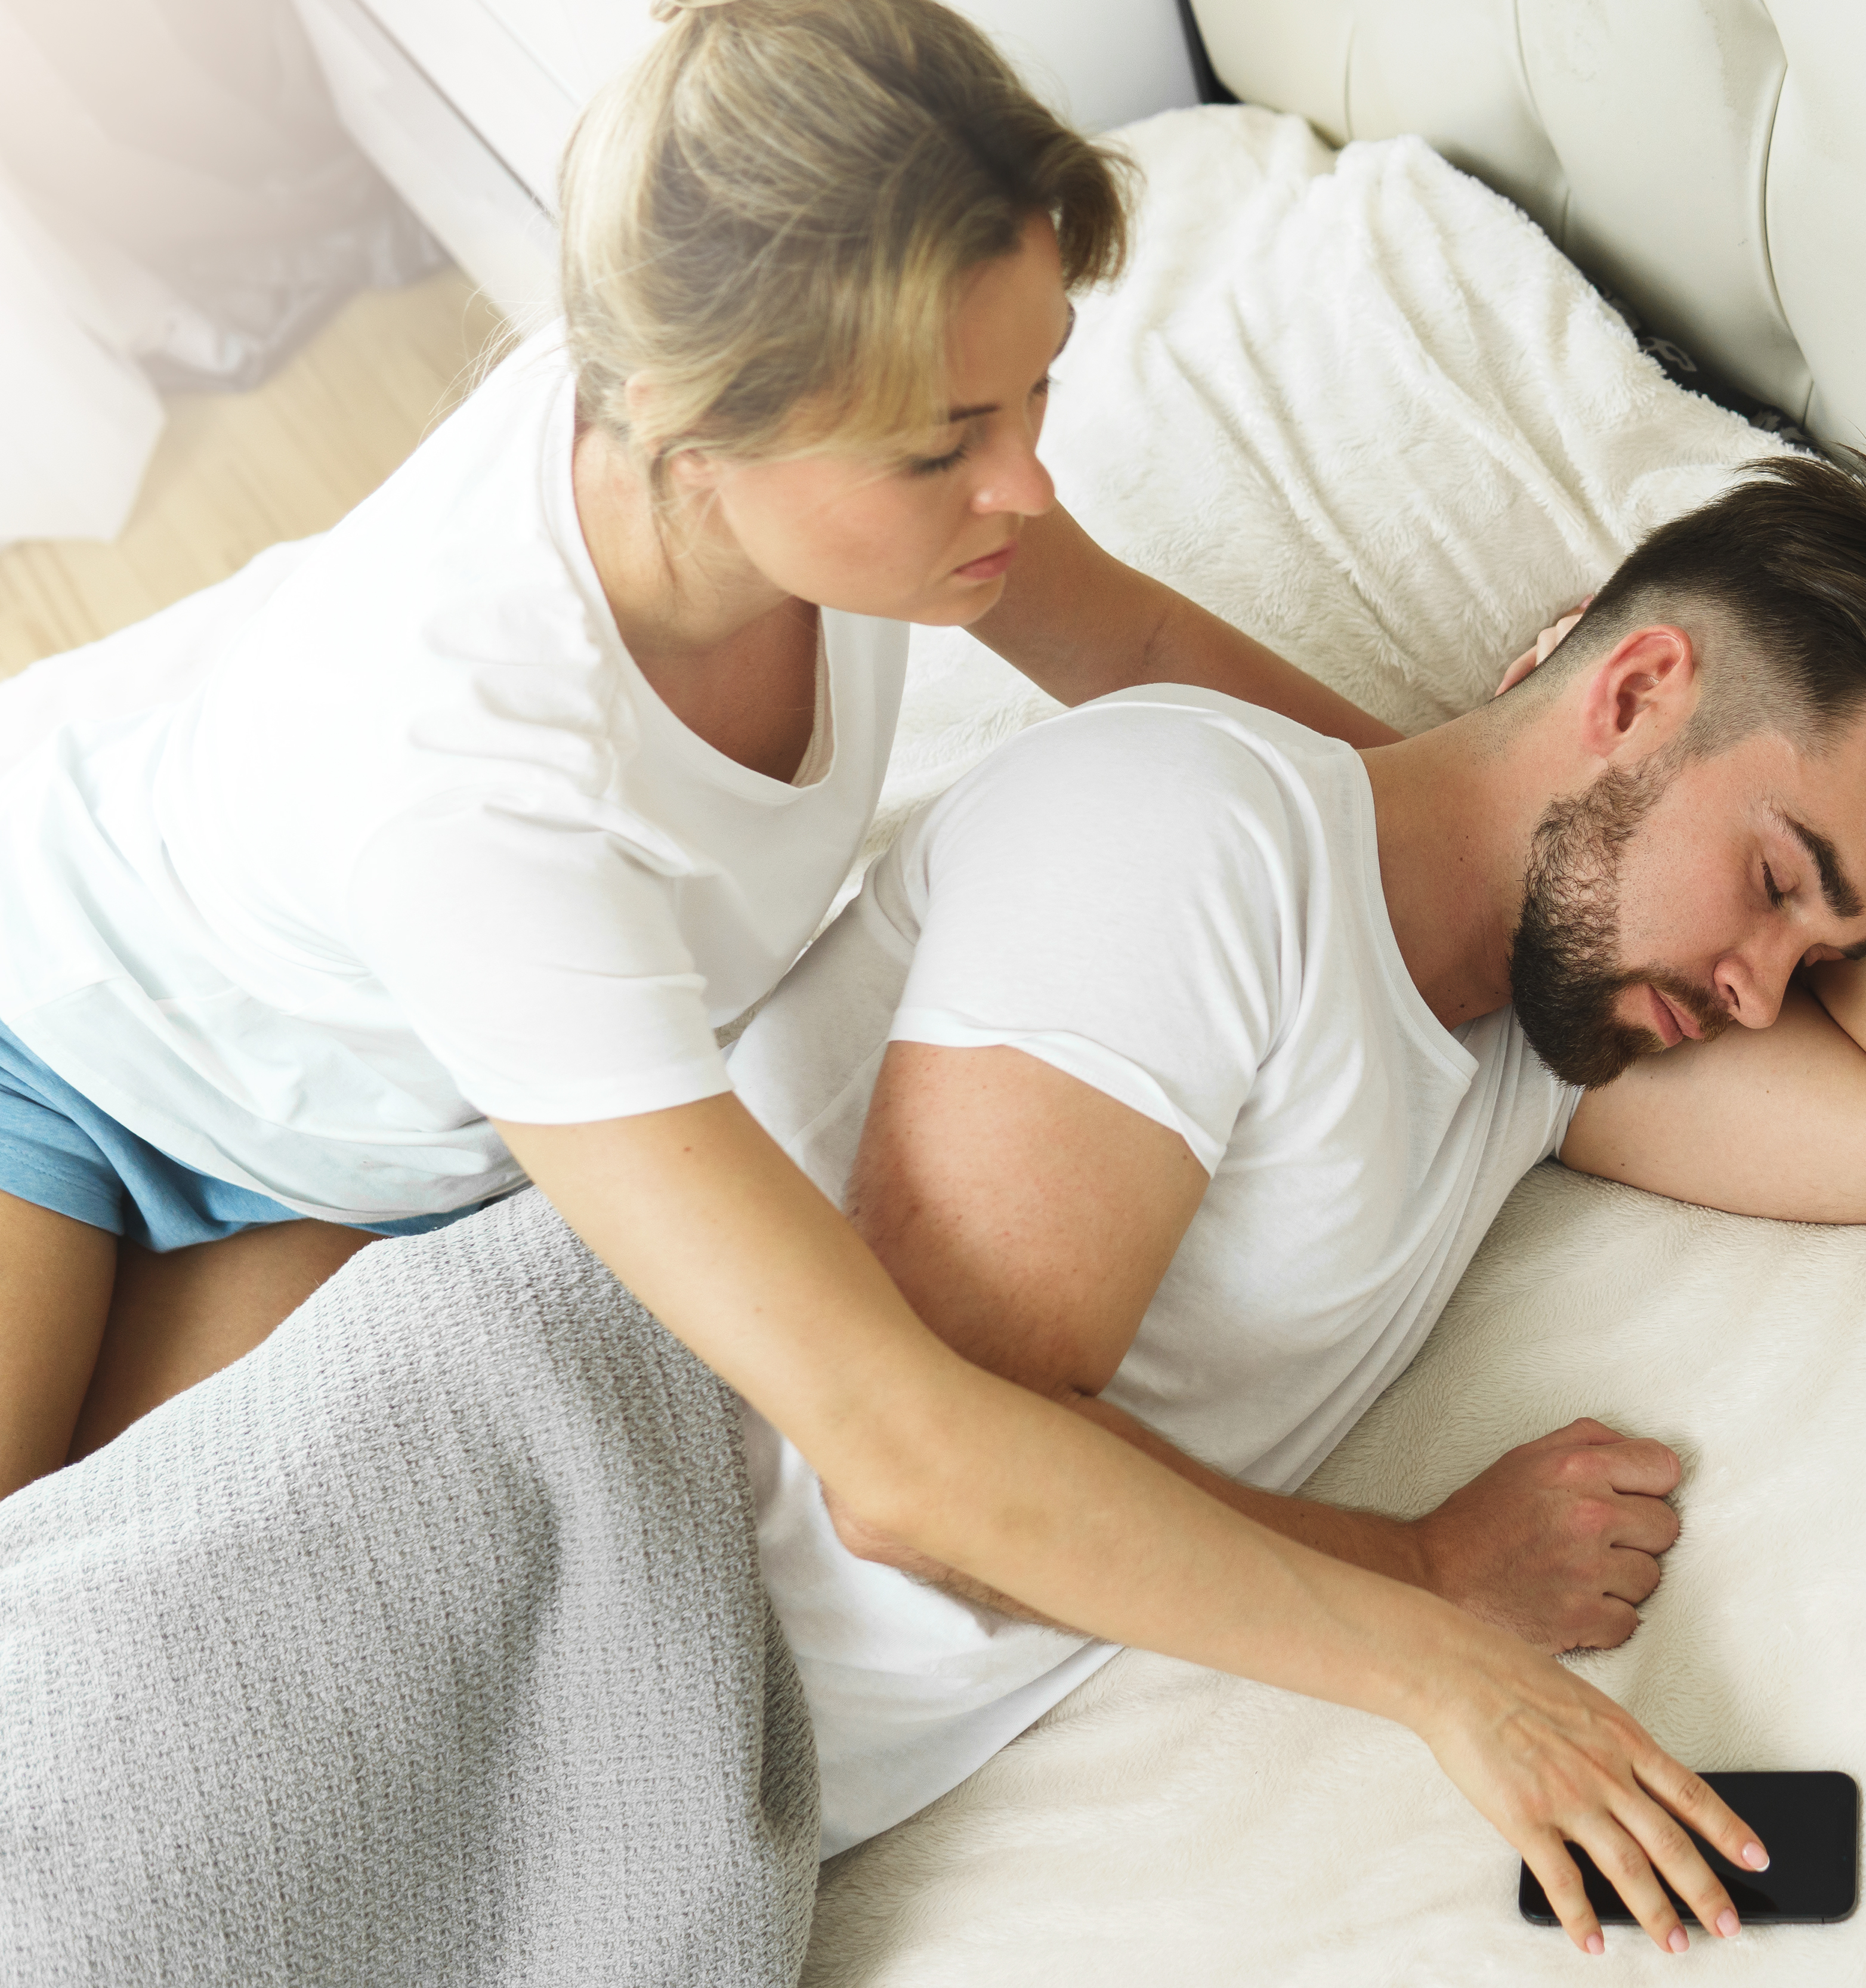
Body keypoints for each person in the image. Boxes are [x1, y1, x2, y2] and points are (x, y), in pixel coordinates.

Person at [0, 0, 1771, 1954]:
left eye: (1037, 396)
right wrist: (1433, 1629)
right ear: (695, 426)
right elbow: (902, 1450)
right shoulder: (489, 806)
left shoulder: (865, 500)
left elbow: (1164, 654)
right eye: (949, 443)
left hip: (364, 1130)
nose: (1027, 485)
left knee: (127, 1654)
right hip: (60, 1048)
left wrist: (1525, 840)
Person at [723, 455, 1866, 1882]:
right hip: (575, 1565)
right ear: (1631, 693)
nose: (1761, 995)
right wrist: (1430, 1584)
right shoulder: (1195, 832)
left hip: (711, 1825)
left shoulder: (1535, 1063)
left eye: (1826, 959)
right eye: (1770, 884)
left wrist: (1863, 865)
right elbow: (917, 1480)